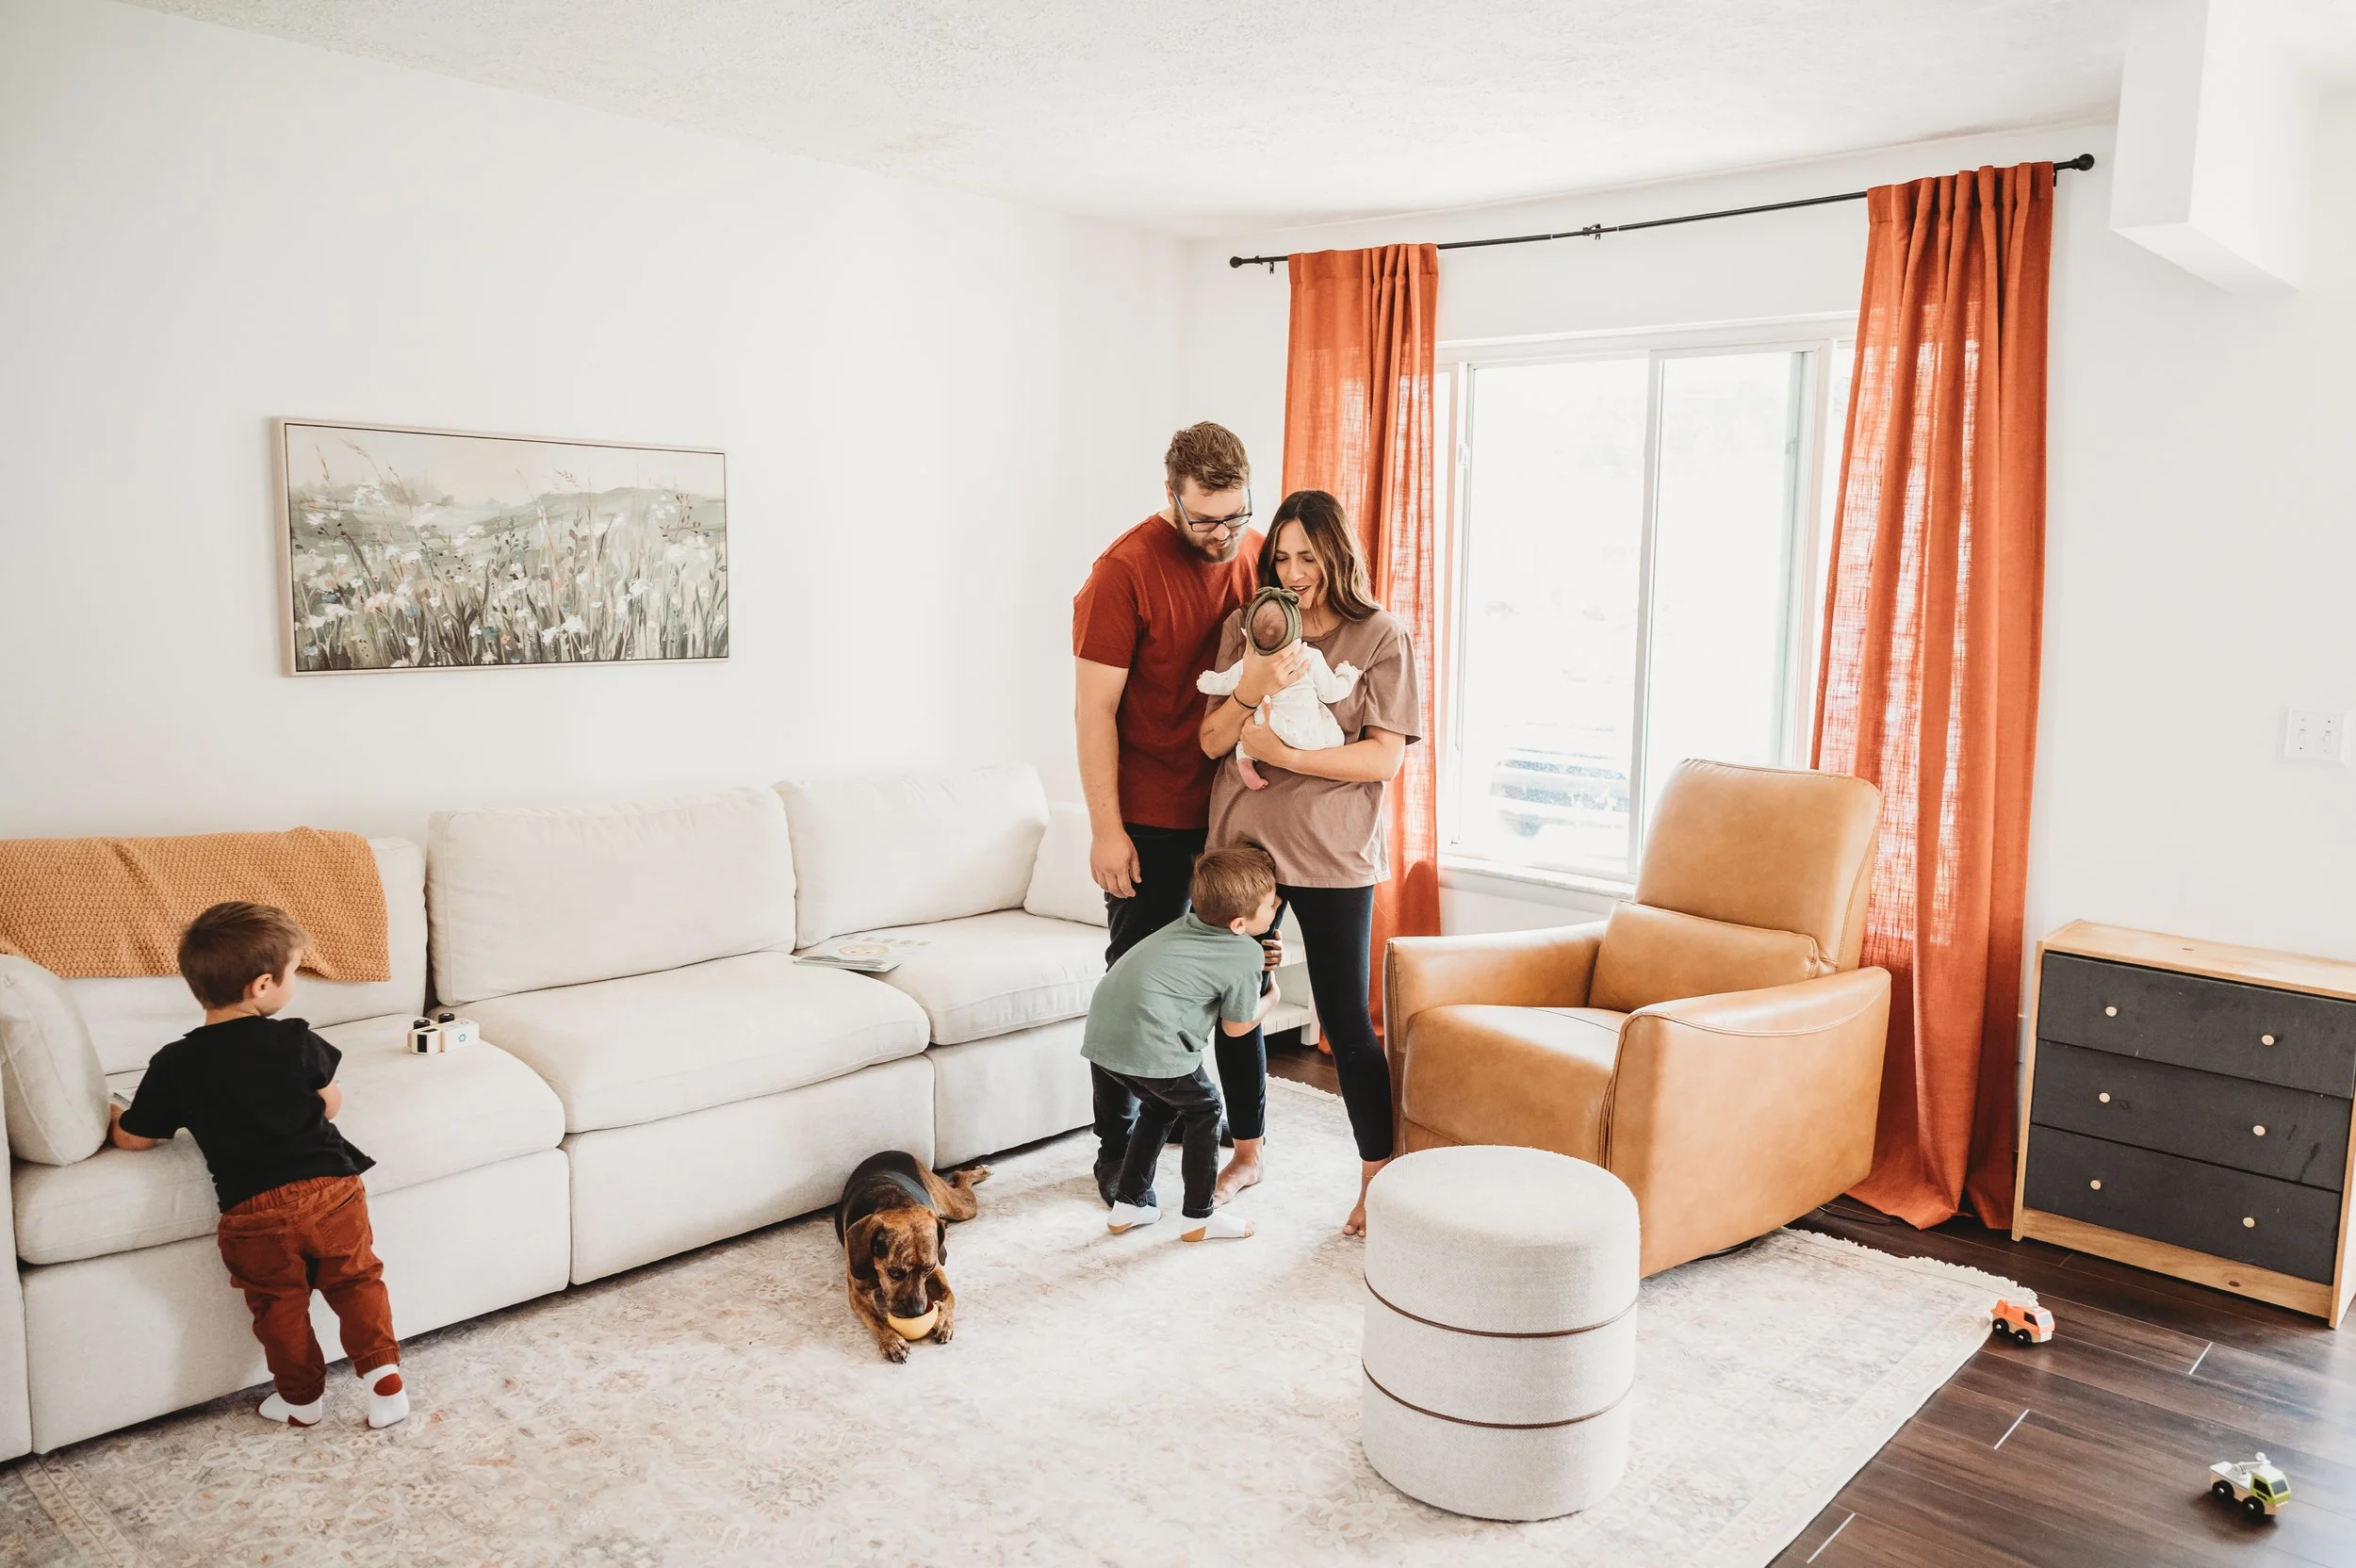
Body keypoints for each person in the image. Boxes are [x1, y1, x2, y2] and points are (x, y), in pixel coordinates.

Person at [1199, 489, 1423, 1235]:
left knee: (1346, 1020)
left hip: (1332, 854)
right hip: (1243, 846)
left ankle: (1375, 1177)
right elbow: (1209, 740)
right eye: (1282, 557)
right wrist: (1249, 697)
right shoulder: (1252, 626)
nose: (1294, 573)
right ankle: (1247, 1151)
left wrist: (1287, 753)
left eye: (1308, 556)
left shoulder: (1379, 636)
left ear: (1337, 555)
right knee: (1237, 1008)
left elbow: (1382, 758)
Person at [1072, 422, 1279, 1208]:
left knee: (1240, 972)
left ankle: (1232, 1129)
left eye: (1236, 516)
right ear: (1171, 498)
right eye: (1206, 521)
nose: (1225, 535)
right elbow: (1095, 711)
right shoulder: (1121, 574)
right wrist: (1104, 826)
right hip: (1151, 818)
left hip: (1236, 814)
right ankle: (1116, 1145)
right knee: (1136, 984)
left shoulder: (1259, 554)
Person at [108, 902, 409, 1429]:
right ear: (263, 984)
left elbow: (136, 1139)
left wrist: (114, 1115)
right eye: (295, 972)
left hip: (253, 1213)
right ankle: (383, 1380)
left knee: (279, 1306)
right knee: (356, 1280)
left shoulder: (173, 1064)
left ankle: (301, 1401)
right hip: (331, 1190)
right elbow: (330, 1103)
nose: (296, 982)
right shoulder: (294, 1039)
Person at [1081, 847, 1280, 1243]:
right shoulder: (1244, 952)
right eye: (1271, 904)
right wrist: (1272, 995)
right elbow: (1237, 1028)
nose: (1276, 906)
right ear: (1240, 923)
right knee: (1206, 1108)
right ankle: (1199, 1216)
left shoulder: (1184, 924)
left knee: (1159, 1105)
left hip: (1102, 1042)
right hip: (1151, 1047)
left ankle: (1131, 1204)